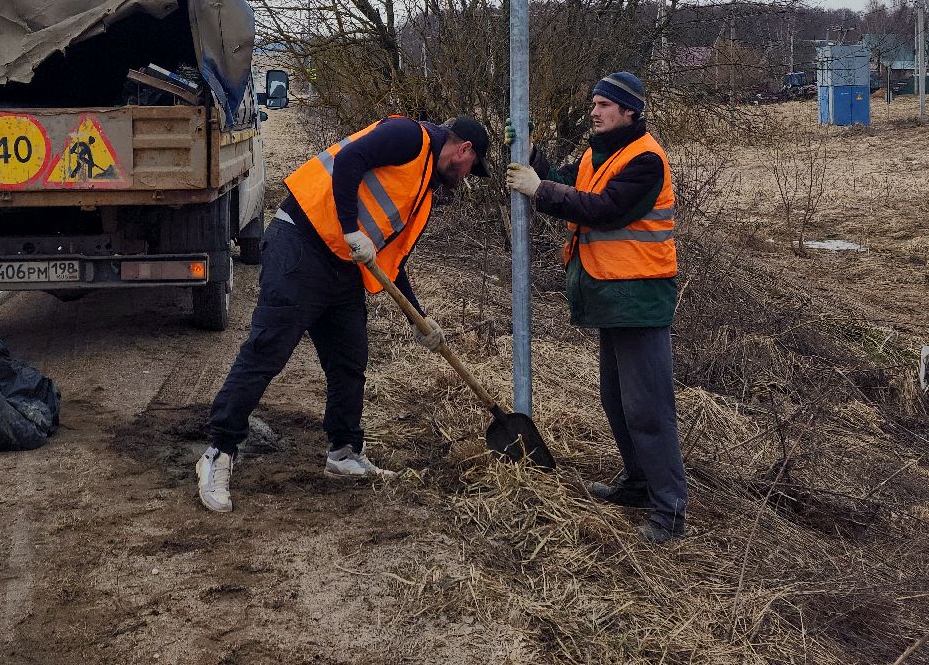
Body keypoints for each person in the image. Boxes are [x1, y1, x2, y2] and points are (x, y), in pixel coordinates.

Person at [196, 114, 494, 514]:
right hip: (300, 245)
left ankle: (344, 452)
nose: (467, 177)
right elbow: (351, 159)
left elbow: (392, 261)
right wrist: (351, 227)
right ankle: (218, 451)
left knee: (349, 362)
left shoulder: (424, 187)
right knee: (267, 352)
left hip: (344, 266)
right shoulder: (409, 137)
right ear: (465, 150)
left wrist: (419, 321)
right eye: (473, 168)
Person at [505, 71, 687, 544]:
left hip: (640, 299)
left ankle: (669, 509)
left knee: (648, 408)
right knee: (617, 400)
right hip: (611, 295)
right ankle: (638, 481)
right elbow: (567, 182)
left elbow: (604, 208)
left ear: (629, 111)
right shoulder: (597, 153)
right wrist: (531, 162)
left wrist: (537, 190)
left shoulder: (645, 160)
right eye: (595, 103)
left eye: (605, 104)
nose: (595, 111)